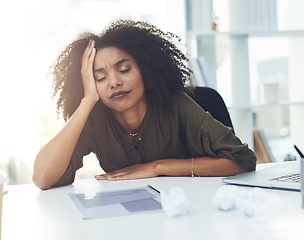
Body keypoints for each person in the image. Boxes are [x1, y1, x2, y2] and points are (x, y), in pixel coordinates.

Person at [32, 19, 256, 190]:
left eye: (124, 69)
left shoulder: (176, 105)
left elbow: (242, 160)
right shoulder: (95, 119)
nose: (114, 82)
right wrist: (87, 100)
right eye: (99, 78)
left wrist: (156, 168)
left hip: (188, 212)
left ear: (145, 69)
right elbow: (42, 178)